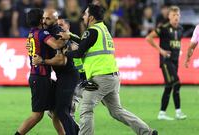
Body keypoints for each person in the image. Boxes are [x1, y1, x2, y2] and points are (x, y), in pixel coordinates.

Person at [59, 4, 158, 135]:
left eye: (86, 14)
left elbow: (79, 52)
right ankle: (147, 132)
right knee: (117, 111)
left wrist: (64, 54)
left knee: (86, 109)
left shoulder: (92, 31)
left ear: (91, 17)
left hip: (101, 77)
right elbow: (85, 43)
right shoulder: (103, 29)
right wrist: (70, 35)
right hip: (112, 76)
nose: (83, 16)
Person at [14, 8, 66, 135]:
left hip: (39, 76)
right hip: (40, 77)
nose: (45, 19)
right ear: (40, 20)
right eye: (43, 17)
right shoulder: (41, 34)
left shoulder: (31, 33)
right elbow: (56, 45)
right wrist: (66, 36)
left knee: (56, 112)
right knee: (37, 115)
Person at [36, 8, 80, 135]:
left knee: (61, 111)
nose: (44, 21)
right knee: (56, 111)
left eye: (48, 18)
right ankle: (75, 131)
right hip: (62, 77)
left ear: (56, 20)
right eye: (43, 18)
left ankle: (74, 132)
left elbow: (62, 61)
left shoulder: (58, 35)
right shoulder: (47, 32)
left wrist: (43, 61)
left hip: (69, 76)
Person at [146, 6, 187, 120]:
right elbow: (149, 38)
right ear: (169, 16)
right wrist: (161, 51)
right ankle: (178, 112)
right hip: (166, 61)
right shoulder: (163, 28)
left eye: (178, 15)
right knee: (177, 83)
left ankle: (162, 113)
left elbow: (177, 43)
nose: (176, 17)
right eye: (173, 15)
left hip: (175, 61)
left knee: (169, 86)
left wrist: (179, 50)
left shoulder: (180, 29)